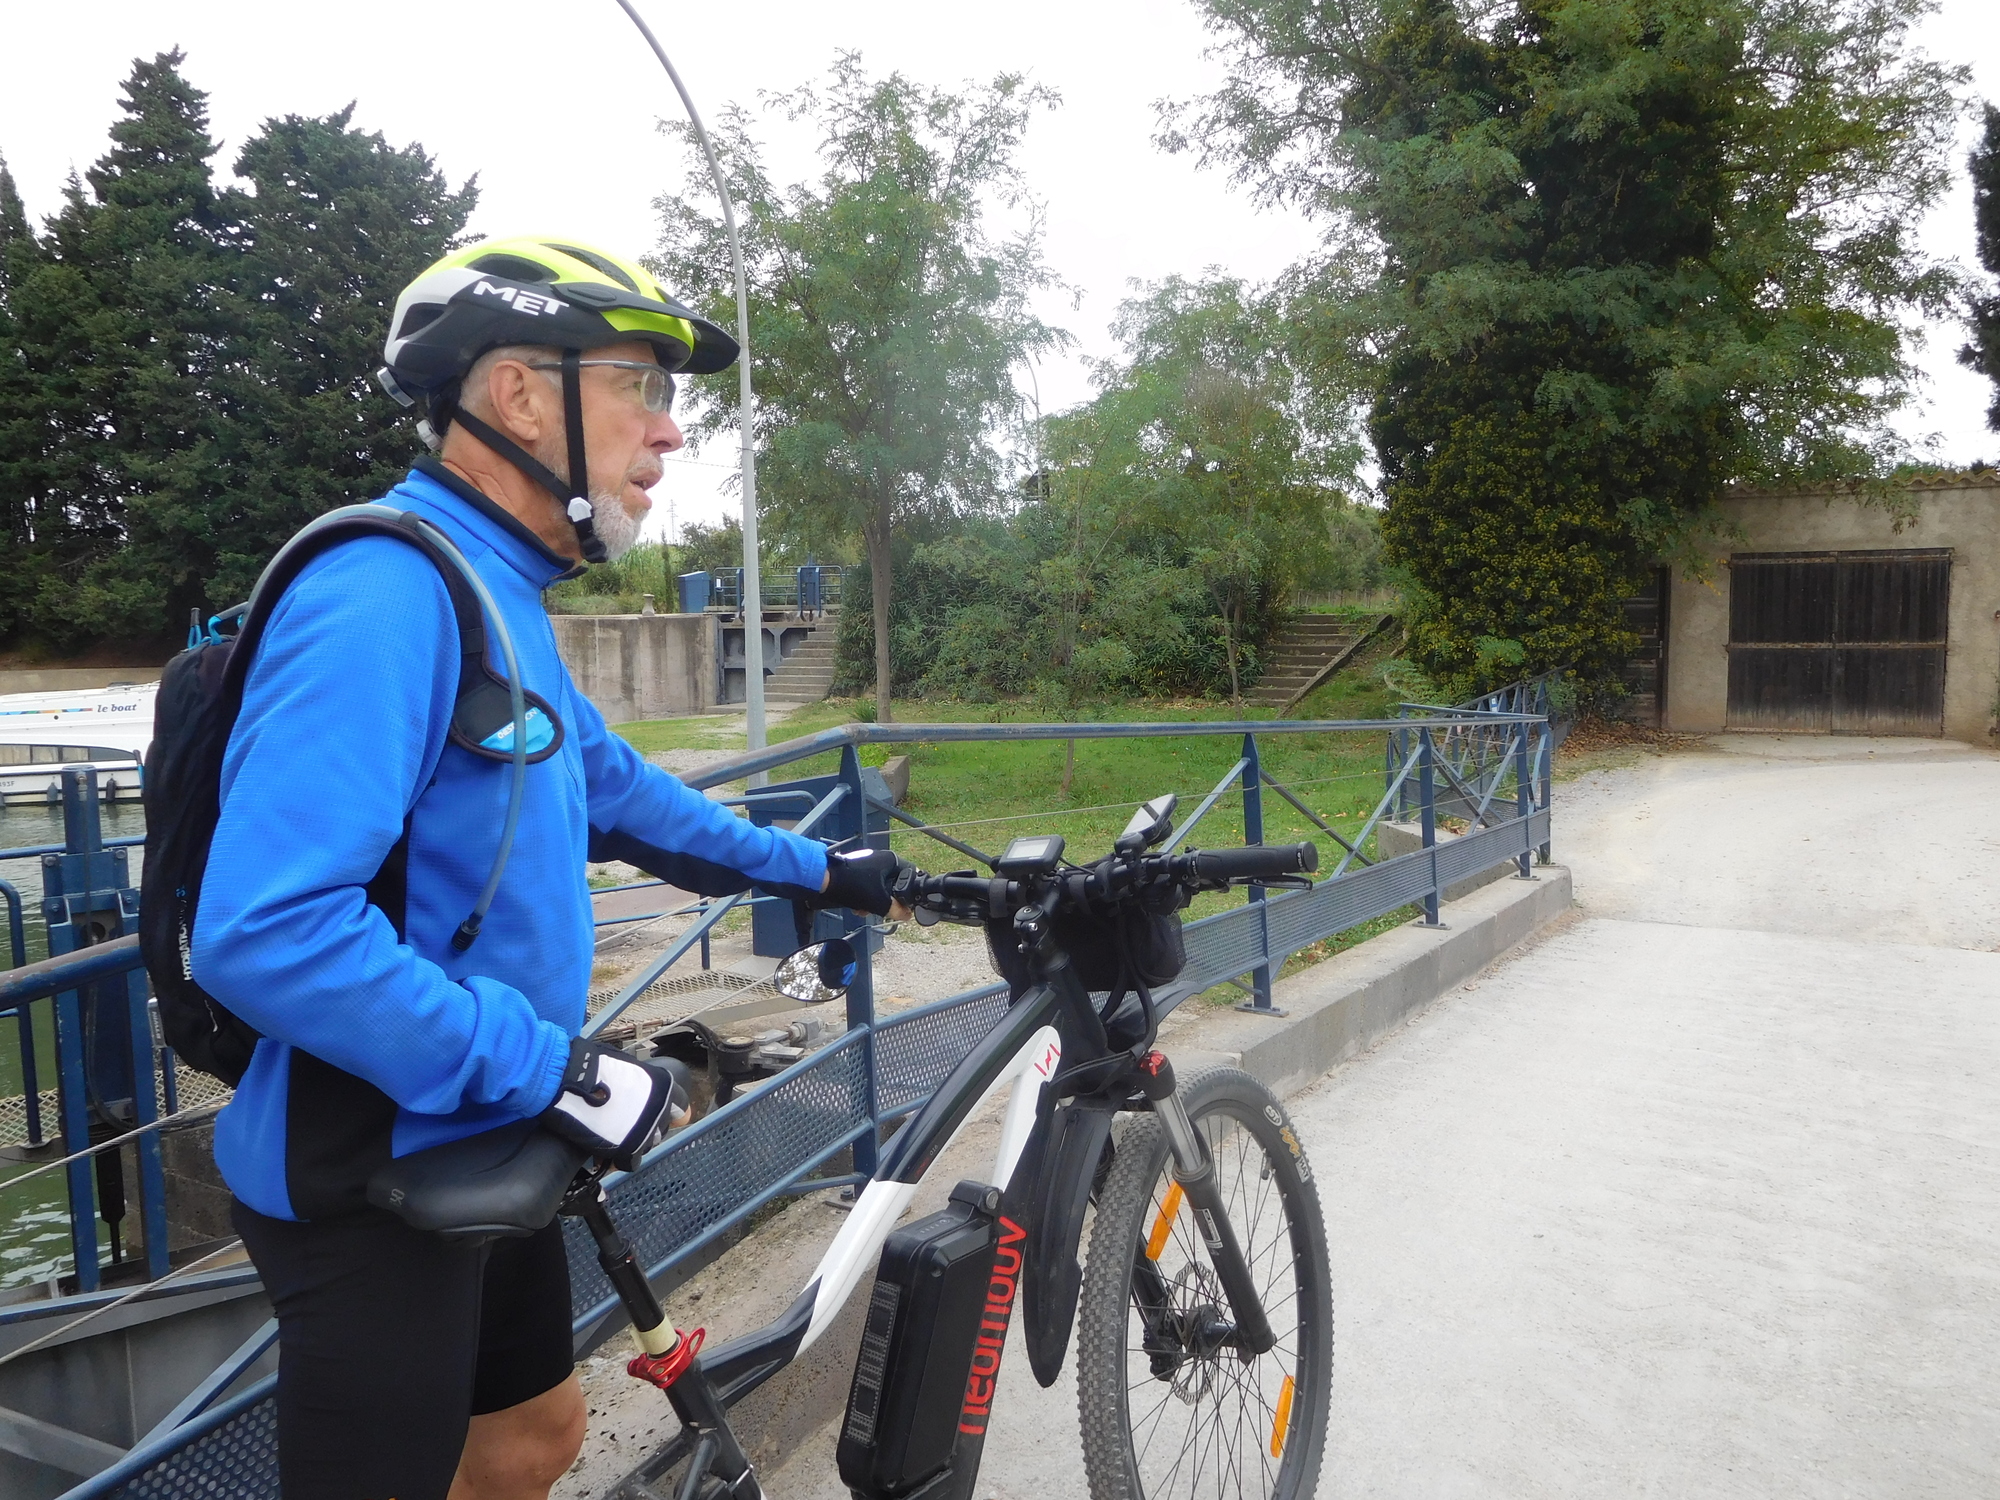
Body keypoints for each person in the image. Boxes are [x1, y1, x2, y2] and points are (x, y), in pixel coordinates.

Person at [193, 235, 907, 1500]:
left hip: (490, 1125)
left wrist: (821, 866)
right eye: (641, 385)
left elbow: (612, 790)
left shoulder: (496, 589)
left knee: (531, 1440)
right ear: (519, 396)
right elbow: (267, 932)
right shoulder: (383, 592)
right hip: (373, 1167)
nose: (670, 431)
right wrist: (555, 1071)